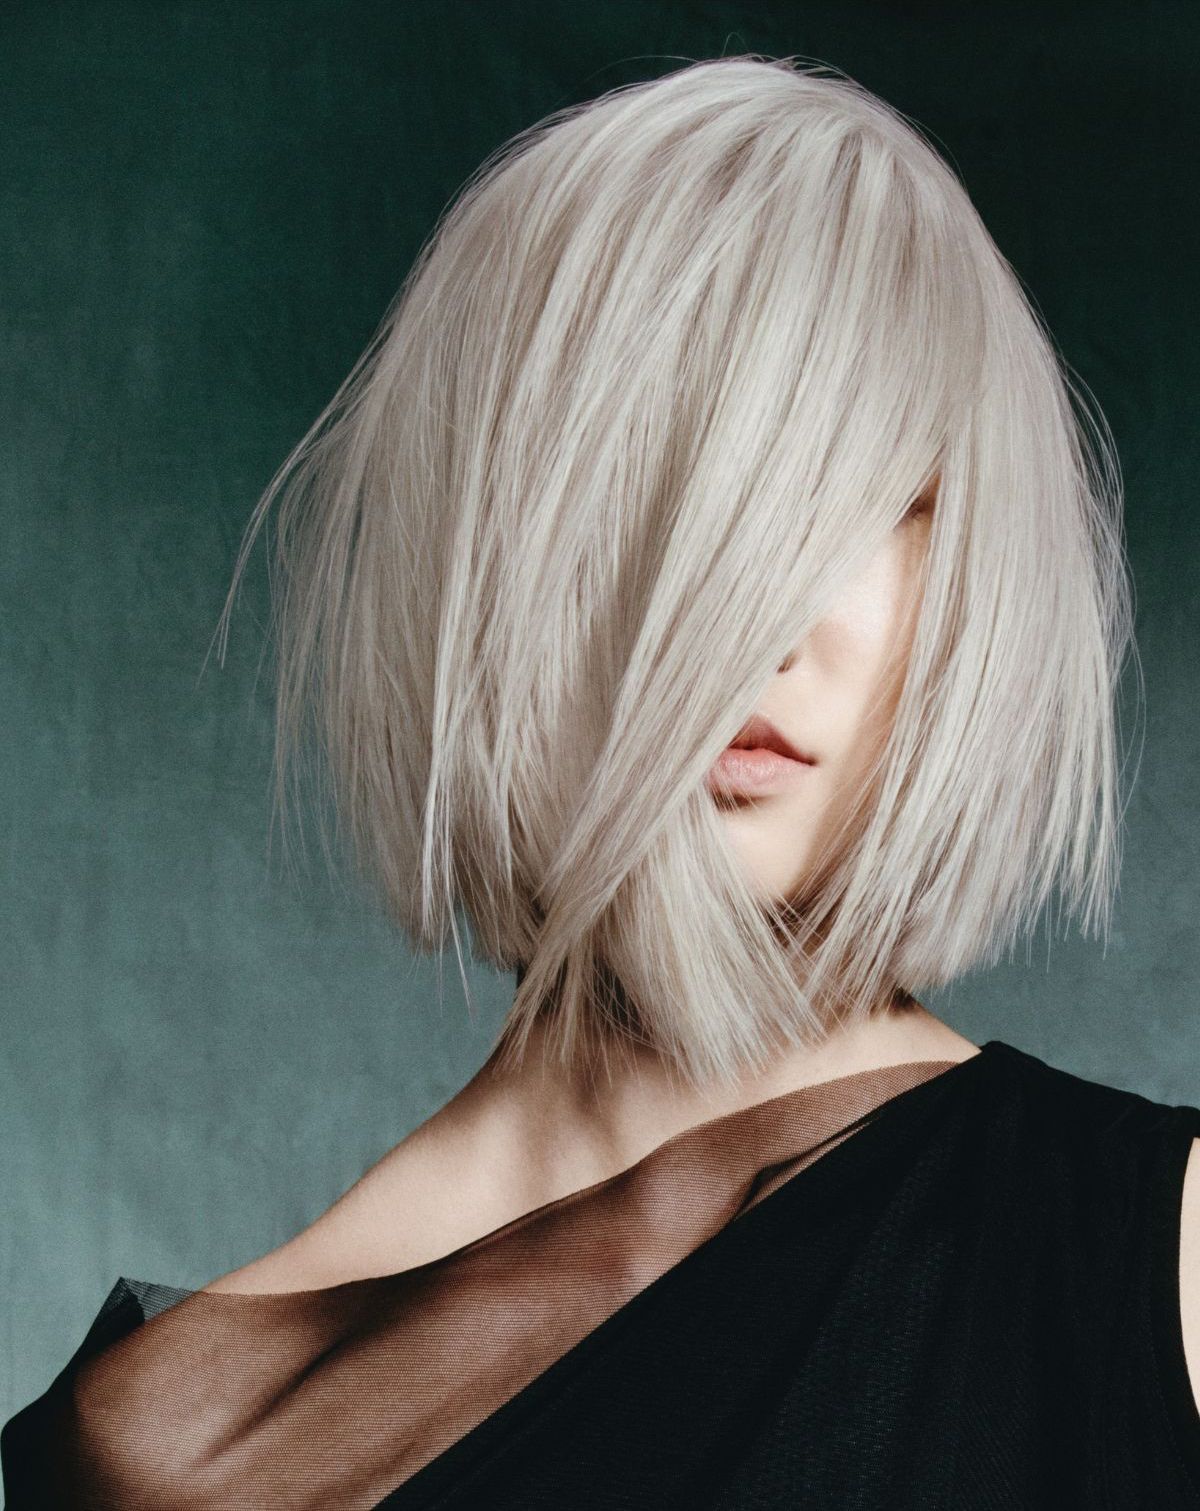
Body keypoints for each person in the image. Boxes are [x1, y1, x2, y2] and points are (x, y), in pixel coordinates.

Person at [4, 53, 1199, 1509]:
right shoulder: (171, 1448)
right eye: (667, 502)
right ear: (488, 562)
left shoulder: (1165, 1267)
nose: (769, 623)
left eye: (872, 506)